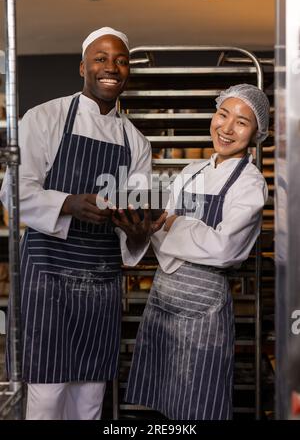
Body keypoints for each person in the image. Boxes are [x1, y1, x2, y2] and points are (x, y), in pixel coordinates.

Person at [0, 27, 165, 420]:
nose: (111, 67)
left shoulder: (136, 143)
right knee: (47, 392)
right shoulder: (45, 117)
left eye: (120, 60)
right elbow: (12, 191)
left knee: (90, 396)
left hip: (102, 280)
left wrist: (137, 231)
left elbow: (135, 213)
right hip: (47, 276)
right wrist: (69, 203)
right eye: (101, 58)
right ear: (82, 67)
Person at [119, 83, 269, 420]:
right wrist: (146, 227)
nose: (227, 128)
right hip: (162, 303)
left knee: (200, 406)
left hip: (203, 312)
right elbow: (160, 227)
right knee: (165, 405)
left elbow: (226, 248)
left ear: (258, 132)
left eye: (242, 122)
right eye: (222, 114)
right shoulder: (190, 172)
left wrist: (171, 225)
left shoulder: (250, 183)